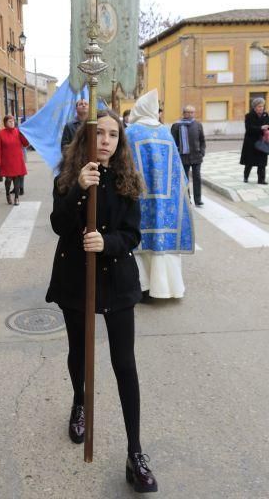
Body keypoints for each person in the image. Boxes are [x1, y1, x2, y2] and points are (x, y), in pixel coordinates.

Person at [46, 109, 158, 493]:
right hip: (76, 277)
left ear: (120, 141)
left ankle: (135, 452)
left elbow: (132, 234)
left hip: (115, 279)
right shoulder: (66, 176)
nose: (107, 140)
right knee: (79, 351)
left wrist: (106, 243)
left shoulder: (127, 179)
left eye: (114, 134)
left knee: (124, 363)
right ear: (87, 138)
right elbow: (59, 224)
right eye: (100, 134)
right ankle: (80, 403)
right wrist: (78, 188)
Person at [127, 89, 194, 301]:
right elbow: (179, 171)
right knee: (164, 244)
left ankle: (145, 288)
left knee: (142, 245)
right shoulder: (165, 131)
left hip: (140, 199)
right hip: (167, 201)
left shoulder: (131, 132)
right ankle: (170, 289)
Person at [171, 105, 206, 207]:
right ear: (184, 113)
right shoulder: (176, 126)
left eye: (192, 112)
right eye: (188, 112)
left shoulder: (198, 125)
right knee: (184, 179)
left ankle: (198, 199)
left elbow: (202, 140)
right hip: (183, 157)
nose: (190, 114)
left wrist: (202, 152)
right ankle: (187, 199)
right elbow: (173, 142)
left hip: (196, 157)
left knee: (197, 178)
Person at [0, 115, 29, 206]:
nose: (12, 122)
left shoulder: (18, 132)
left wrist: (23, 134)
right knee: (8, 179)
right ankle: (7, 194)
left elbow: (25, 144)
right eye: (10, 121)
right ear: (5, 123)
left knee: (17, 179)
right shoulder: (1, 133)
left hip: (17, 159)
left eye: (13, 121)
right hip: (6, 160)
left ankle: (17, 198)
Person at [240, 97, 269, 184]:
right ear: (255, 107)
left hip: (262, 142)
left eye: (262, 106)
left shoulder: (266, 115)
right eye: (259, 106)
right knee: (249, 162)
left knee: (262, 163)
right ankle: (246, 177)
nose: (261, 108)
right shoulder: (249, 116)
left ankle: (261, 180)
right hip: (251, 143)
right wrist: (261, 128)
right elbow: (248, 129)